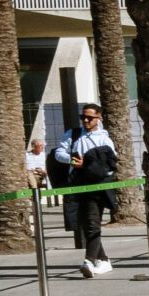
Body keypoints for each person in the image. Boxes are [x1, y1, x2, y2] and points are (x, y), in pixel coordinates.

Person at [49, 104, 117, 277]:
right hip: (76, 184)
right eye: (83, 117)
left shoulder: (104, 139)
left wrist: (89, 165)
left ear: (99, 118)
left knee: (93, 223)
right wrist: (73, 161)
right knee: (83, 223)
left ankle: (89, 260)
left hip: (97, 187)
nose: (86, 120)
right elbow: (59, 153)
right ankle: (104, 260)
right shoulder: (73, 134)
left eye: (90, 117)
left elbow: (110, 164)